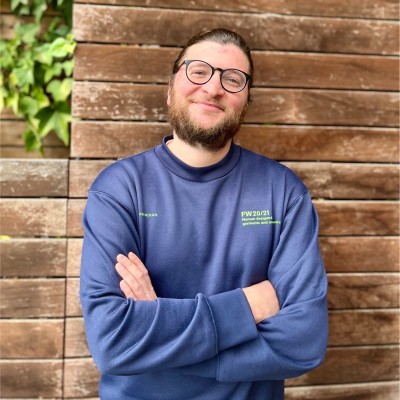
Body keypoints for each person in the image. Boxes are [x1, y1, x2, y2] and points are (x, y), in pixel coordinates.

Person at [80, 28, 328, 400]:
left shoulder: (283, 192)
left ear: (245, 101)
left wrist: (158, 336)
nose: (213, 88)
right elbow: (112, 341)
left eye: (233, 79)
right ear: (170, 88)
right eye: (198, 71)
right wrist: (249, 305)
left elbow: (304, 342)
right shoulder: (119, 189)